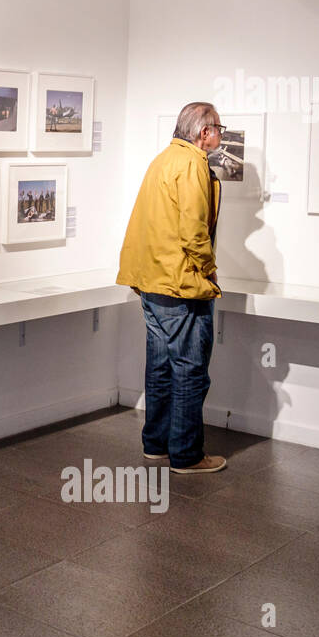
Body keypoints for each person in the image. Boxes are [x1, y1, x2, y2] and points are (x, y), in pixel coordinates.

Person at [116, 101, 227, 474]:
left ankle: (156, 446)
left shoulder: (163, 160)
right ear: (203, 131)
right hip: (180, 285)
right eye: (218, 128)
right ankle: (187, 455)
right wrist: (209, 270)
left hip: (152, 282)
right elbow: (194, 230)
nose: (220, 135)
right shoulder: (193, 163)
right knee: (191, 370)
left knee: (160, 367)